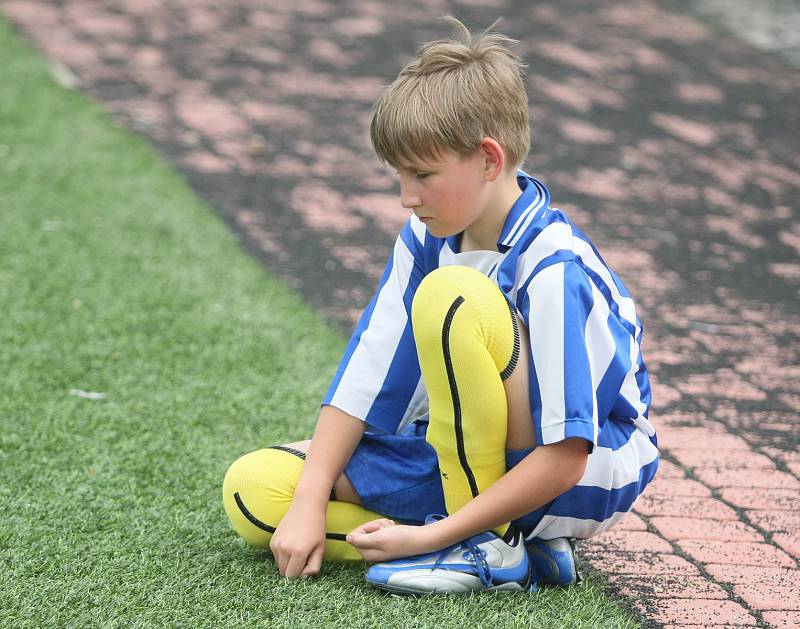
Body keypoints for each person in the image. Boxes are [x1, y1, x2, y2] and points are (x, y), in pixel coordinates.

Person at [222, 16, 658, 595]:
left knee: (455, 298)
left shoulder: (554, 264)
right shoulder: (426, 235)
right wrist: (307, 500)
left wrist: (427, 539)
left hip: (580, 471)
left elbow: (566, 454)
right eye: (399, 175)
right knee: (256, 491)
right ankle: (527, 547)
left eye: (424, 175)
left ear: (488, 159)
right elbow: (367, 374)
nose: (407, 196)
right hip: (453, 449)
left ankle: (491, 548)